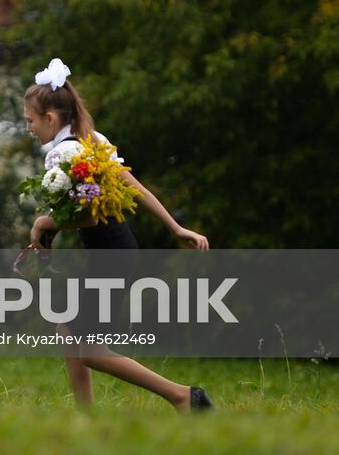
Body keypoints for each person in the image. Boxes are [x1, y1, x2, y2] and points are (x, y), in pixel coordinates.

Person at [23, 57, 215, 412]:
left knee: (92, 351)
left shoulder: (64, 154)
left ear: (50, 118)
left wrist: (43, 224)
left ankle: (184, 396)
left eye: (30, 121)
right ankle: (86, 417)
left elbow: (89, 218)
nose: (29, 129)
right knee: (68, 330)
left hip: (110, 254)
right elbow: (134, 187)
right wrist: (174, 226)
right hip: (119, 249)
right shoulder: (92, 140)